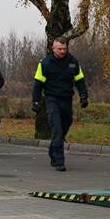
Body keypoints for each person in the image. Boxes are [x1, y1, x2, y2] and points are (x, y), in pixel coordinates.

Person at [32, 37, 88, 171]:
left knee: (65, 125)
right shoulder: (45, 63)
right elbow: (38, 85)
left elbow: (80, 81)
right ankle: (59, 160)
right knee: (56, 129)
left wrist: (83, 96)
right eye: (59, 49)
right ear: (53, 49)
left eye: (64, 49)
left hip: (66, 99)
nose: (62, 51)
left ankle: (53, 149)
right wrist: (35, 101)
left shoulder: (73, 62)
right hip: (51, 99)